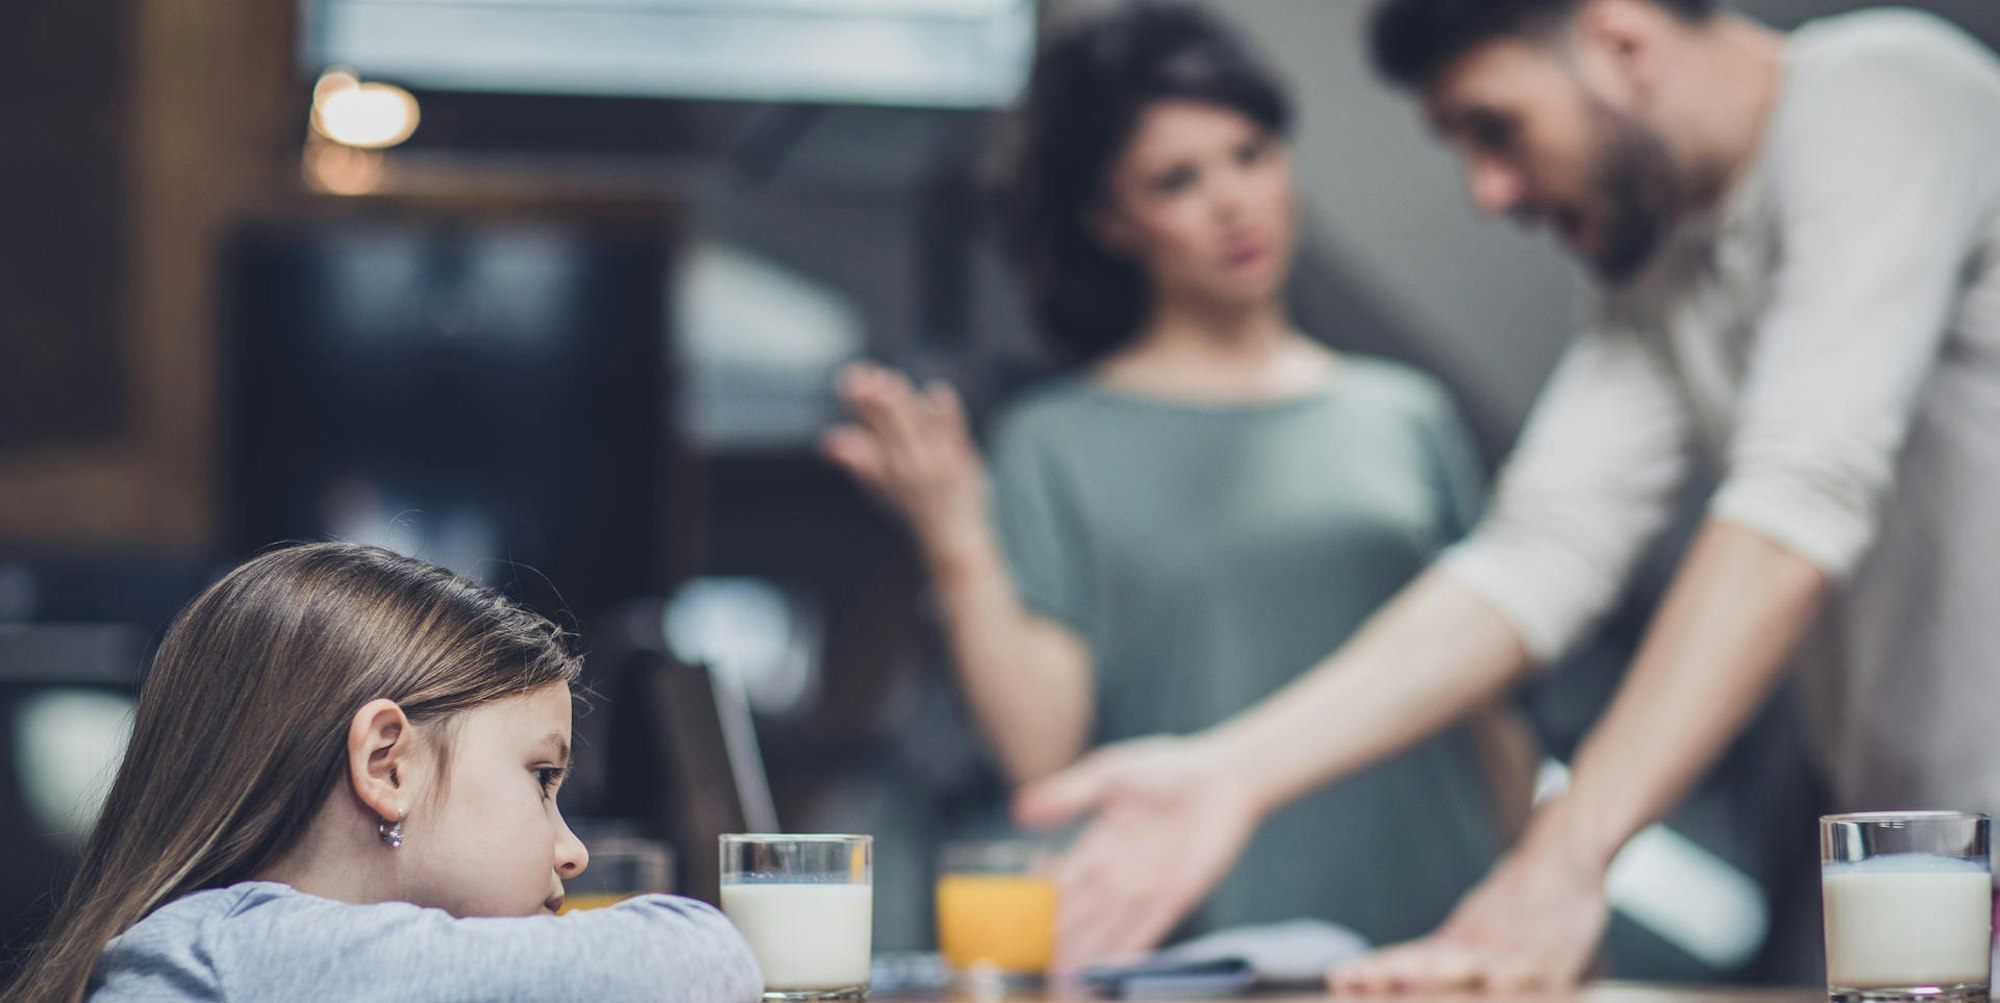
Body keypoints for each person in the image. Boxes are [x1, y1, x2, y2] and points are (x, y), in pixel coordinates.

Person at [1013, 0, 2000, 990]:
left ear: (1619, 41)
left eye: (1495, 129)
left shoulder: (1880, 91)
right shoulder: (1655, 265)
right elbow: (1538, 552)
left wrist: (1562, 862)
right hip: (1928, 851)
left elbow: (1797, 498)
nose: (1487, 193)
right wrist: (1231, 772)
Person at [823, 0, 1538, 966]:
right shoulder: (1057, 441)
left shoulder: (1406, 414)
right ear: (1113, 220)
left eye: (1250, 154)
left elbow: (1485, 689)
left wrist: (1538, 882)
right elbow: (1043, 754)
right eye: (1177, 180)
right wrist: (956, 532)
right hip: (1206, 942)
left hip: (1436, 923)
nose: (1234, 202)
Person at [1, 543, 763, 1003]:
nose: (573, 850)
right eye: (540, 777)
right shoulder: (240, 953)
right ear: (385, 763)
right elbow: (698, 958)